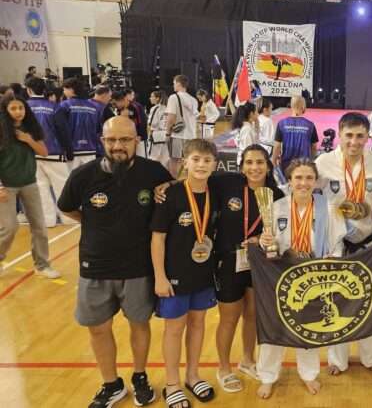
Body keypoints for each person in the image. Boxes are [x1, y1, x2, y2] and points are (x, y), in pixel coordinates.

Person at [57, 116, 171, 407]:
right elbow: (67, 208)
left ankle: (140, 376)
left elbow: (171, 198)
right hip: (95, 266)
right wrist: (94, 225)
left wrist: (166, 190)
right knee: (97, 328)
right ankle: (111, 384)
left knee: (139, 324)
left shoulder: (154, 172)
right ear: (102, 141)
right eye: (111, 140)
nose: (118, 145)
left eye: (125, 140)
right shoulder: (83, 175)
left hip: (138, 267)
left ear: (137, 141)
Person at [256, 158, 342, 399]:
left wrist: (332, 260)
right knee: (274, 327)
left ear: (316, 181)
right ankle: (267, 376)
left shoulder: (328, 208)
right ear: (290, 181)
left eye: (309, 178)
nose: (303, 183)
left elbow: (337, 245)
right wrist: (265, 242)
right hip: (280, 276)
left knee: (308, 326)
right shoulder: (276, 207)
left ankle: (309, 373)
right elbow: (268, 244)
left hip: (313, 277)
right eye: (298, 178)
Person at [316, 112, 372, 378]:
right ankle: (337, 359)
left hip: (371, 241)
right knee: (335, 299)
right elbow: (312, 199)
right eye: (349, 135)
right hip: (336, 242)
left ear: (368, 136)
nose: (354, 142)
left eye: (360, 136)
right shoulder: (323, 163)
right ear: (339, 134)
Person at [210, 145, 284, 393]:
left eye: (260, 162)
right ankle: (223, 368)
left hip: (259, 263)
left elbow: (280, 231)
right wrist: (165, 185)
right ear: (241, 166)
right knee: (229, 317)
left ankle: (247, 360)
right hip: (229, 261)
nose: (255, 167)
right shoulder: (226, 183)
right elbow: (195, 181)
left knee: (252, 314)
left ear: (268, 166)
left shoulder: (275, 194)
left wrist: (262, 238)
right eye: (249, 162)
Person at [151, 139, 219, 407]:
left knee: (198, 323)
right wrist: (160, 277)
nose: (201, 165)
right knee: (174, 328)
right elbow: (158, 239)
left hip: (203, 273)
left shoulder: (216, 191)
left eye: (207, 160)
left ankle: (192, 375)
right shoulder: (170, 195)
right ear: (185, 163)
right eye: (196, 159)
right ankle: (172, 383)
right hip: (174, 275)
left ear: (215, 165)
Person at [0, 95, 61, 278]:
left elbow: (44, 151)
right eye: (13, 108)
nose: (18, 112)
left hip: (29, 184)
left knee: (40, 226)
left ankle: (42, 265)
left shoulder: (31, 128)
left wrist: (28, 140)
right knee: (10, 228)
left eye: (21, 108)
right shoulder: (2, 130)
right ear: (6, 111)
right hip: (6, 186)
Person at [26, 77, 73, 227]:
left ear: (29, 90)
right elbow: (63, 131)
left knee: (41, 188)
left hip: (32, 153)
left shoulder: (23, 107)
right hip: (54, 152)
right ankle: (69, 218)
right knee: (62, 186)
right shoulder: (54, 107)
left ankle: (48, 220)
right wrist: (69, 150)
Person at [60, 77, 103, 169]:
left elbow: (61, 128)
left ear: (71, 89)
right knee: (90, 177)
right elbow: (99, 129)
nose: (63, 92)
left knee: (72, 177)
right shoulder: (95, 107)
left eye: (64, 89)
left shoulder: (64, 105)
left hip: (72, 151)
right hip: (91, 150)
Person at [272, 95, 318, 175]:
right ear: (303, 107)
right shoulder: (310, 125)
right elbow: (314, 147)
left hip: (286, 164)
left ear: (291, 105)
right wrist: (311, 159)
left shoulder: (282, 123)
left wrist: (273, 160)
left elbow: (277, 146)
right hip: (304, 164)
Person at [164, 75, 198, 177]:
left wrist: (167, 133)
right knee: (189, 160)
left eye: (174, 83)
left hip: (177, 135)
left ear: (178, 84)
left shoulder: (173, 97)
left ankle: (173, 182)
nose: (173, 85)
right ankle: (190, 182)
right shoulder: (193, 99)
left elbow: (171, 117)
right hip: (191, 135)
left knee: (174, 160)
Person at [106, 90, 148, 156]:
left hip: (139, 139)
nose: (114, 106)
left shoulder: (135, 106)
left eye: (115, 103)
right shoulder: (119, 110)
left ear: (122, 100)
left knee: (141, 158)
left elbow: (142, 122)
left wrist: (140, 136)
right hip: (127, 139)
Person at [147, 90, 170, 168]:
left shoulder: (155, 108)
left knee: (153, 158)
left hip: (156, 135)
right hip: (166, 135)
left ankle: (154, 175)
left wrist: (149, 134)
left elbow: (152, 123)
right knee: (165, 159)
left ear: (157, 98)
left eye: (152, 96)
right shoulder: (167, 108)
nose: (150, 98)